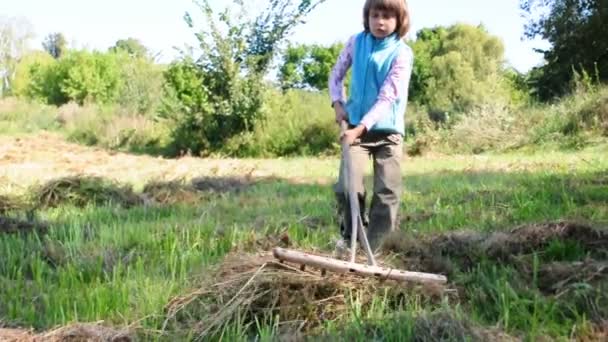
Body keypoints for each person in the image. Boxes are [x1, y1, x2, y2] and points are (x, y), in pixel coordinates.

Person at [328, 0, 413, 254]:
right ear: (367, 17)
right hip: (355, 129)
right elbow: (336, 74)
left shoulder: (401, 53)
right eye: (375, 15)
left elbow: (388, 97)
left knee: (387, 192)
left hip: (388, 134)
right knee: (347, 189)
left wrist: (360, 127)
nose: (380, 22)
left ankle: (375, 249)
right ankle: (352, 238)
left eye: (387, 16)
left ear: (399, 20)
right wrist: (337, 102)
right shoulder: (357, 42)